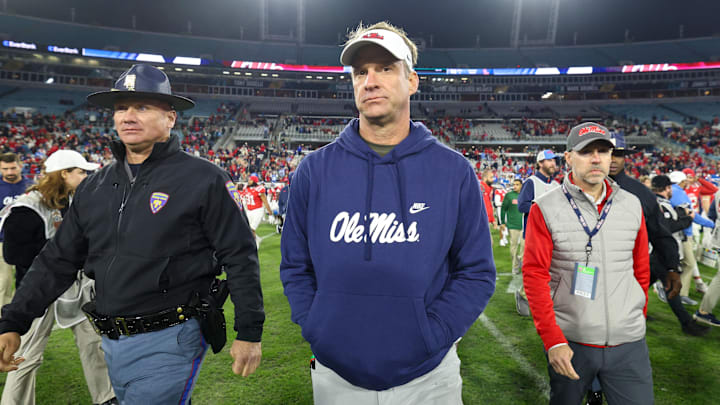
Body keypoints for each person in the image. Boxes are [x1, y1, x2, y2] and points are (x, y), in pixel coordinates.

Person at [0, 64, 264, 404]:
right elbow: (57, 260)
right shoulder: (95, 186)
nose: (128, 115)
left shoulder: (205, 179)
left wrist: (250, 331)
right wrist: (14, 320)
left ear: (171, 117)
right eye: (121, 107)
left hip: (171, 336)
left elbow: (240, 255)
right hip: (111, 338)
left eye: (142, 106)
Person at [280, 21, 496, 404]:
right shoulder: (314, 170)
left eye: (385, 68)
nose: (370, 80)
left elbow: (476, 272)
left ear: (412, 81)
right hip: (335, 375)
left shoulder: (453, 171)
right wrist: (317, 326)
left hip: (430, 378)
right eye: (360, 71)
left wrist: (433, 332)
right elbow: (295, 265)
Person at [523, 122, 652, 405]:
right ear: (568, 158)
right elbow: (534, 275)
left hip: (628, 343)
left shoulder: (631, 204)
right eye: (586, 152)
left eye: (603, 151)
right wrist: (553, 339)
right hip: (572, 342)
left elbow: (640, 268)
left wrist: (635, 314)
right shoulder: (545, 207)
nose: (596, 159)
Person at [0, 150, 116, 405]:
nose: (86, 176)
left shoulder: (75, 201)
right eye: (81, 171)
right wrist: (55, 258)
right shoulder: (26, 208)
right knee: (26, 356)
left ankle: (107, 398)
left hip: (77, 288)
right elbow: (13, 255)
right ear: (64, 174)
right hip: (37, 292)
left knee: (94, 344)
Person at [608, 135, 707, 336]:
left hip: (628, 270)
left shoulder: (640, 193)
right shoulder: (579, 189)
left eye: (617, 154)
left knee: (623, 335)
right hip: (586, 272)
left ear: (625, 157)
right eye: (605, 152)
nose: (611, 159)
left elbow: (660, 233)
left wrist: (672, 266)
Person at [515, 149, 559, 316]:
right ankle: (522, 295)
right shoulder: (531, 182)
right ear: (540, 163)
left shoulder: (556, 185)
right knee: (534, 271)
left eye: (554, 160)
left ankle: (544, 301)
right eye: (549, 161)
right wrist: (541, 207)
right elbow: (522, 206)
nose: (553, 163)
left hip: (552, 235)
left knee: (551, 271)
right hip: (533, 235)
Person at [668, 170, 714, 305]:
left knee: (677, 262)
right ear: (682, 181)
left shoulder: (671, 190)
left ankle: (669, 288)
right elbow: (691, 214)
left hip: (673, 231)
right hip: (682, 232)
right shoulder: (679, 193)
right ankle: (680, 294)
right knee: (689, 263)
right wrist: (710, 223)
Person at [0, 153, 33, 309]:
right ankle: (3, 322)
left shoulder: (31, 186)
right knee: (3, 282)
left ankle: (19, 314)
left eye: (13, 168)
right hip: (2, 241)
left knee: (27, 282)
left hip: (27, 243)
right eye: (5, 169)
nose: (9, 172)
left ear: (20, 166)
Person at [241, 174, 274, 246]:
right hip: (249, 211)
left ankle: (255, 244)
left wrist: (270, 214)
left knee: (252, 229)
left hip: (257, 211)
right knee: (248, 229)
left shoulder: (259, 189)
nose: (249, 181)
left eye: (250, 180)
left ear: (254, 181)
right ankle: (257, 239)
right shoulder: (246, 188)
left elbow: (265, 201)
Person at [501, 178, 524, 274]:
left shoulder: (526, 195)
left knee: (524, 247)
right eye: (514, 184)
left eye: (517, 184)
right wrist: (502, 222)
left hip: (524, 226)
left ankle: (521, 262)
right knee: (513, 247)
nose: (515, 186)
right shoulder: (509, 196)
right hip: (512, 225)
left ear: (521, 185)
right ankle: (514, 267)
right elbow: (503, 209)